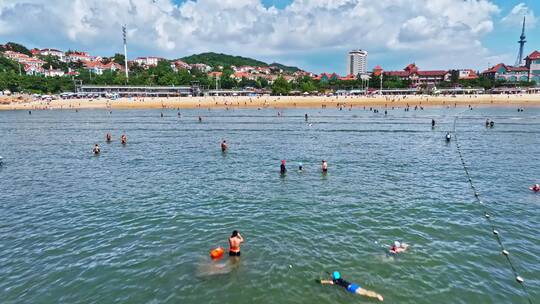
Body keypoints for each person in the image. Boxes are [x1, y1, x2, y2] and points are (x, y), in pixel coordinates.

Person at [319, 271, 383, 301]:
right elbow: (333, 276)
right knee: (365, 291)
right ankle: (376, 295)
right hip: (352, 285)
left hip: (351, 288)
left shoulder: (334, 281)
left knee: (364, 293)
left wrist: (320, 281)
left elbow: (327, 281)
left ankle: (376, 296)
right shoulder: (339, 278)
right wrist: (328, 273)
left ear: (334, 277)